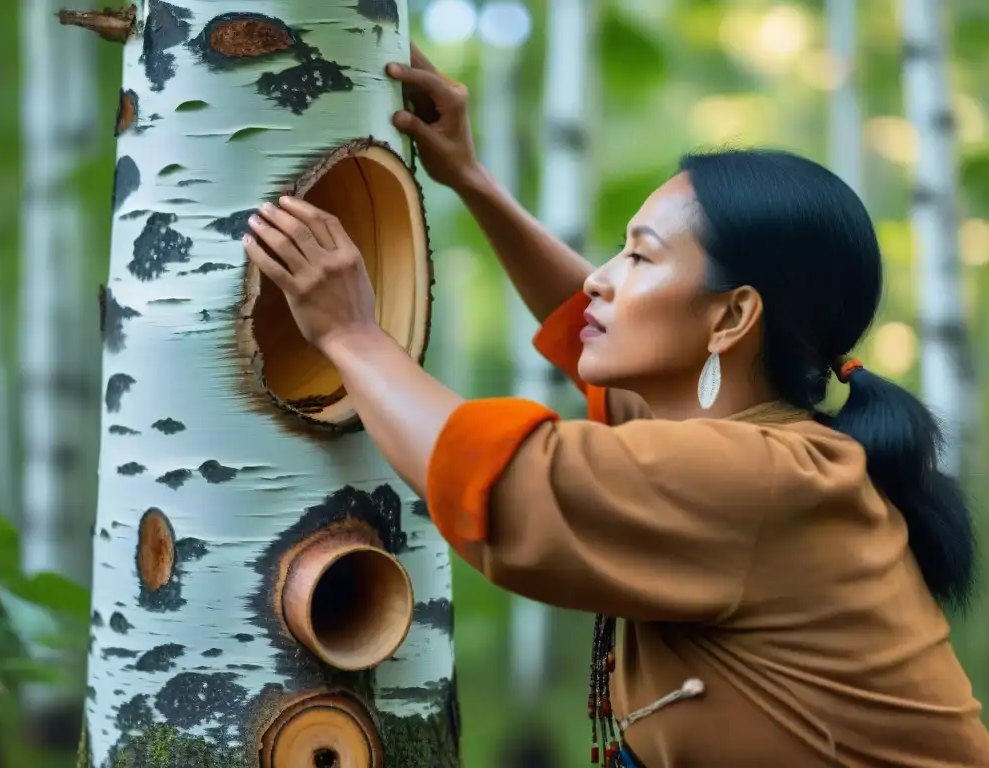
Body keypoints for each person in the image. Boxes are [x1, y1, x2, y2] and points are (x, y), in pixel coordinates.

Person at [242, 44, 989, 768]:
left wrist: (351, 335)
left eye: (640, 256)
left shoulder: (753, 479)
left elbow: (509, 484)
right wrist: (471, 178)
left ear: (730, 319)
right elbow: (586, 321)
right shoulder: (742, 438)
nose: (604, 278)